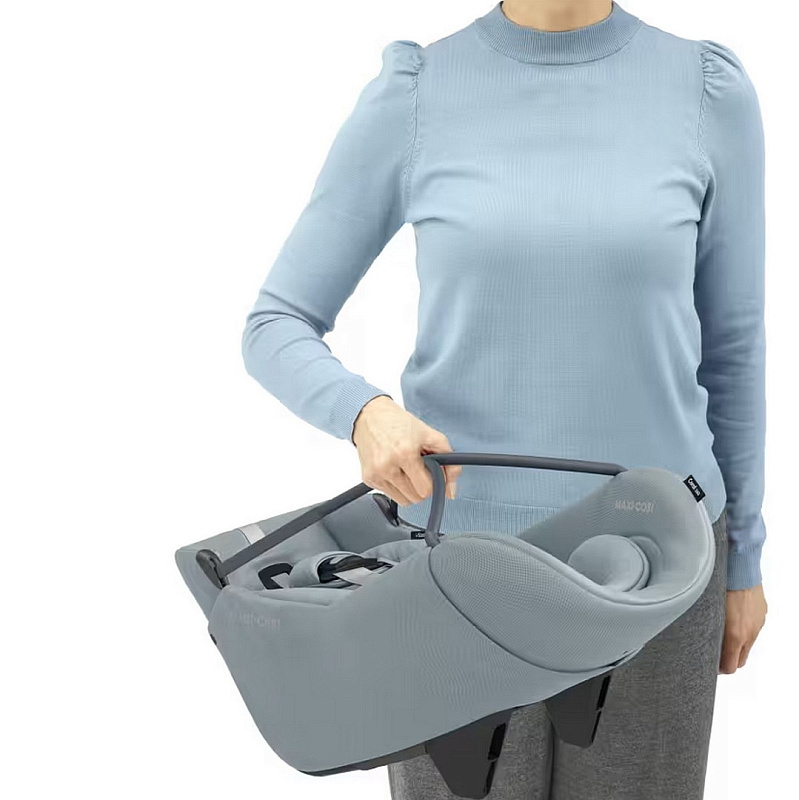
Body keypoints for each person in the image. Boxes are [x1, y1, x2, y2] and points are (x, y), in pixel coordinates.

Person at [241, 1, 769, 796]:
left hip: (659, 563)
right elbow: (276, 322)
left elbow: (732, 349)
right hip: (455, 578)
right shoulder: (418, 91)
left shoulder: (705, 88)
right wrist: (362, 412)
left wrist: (744, 564)